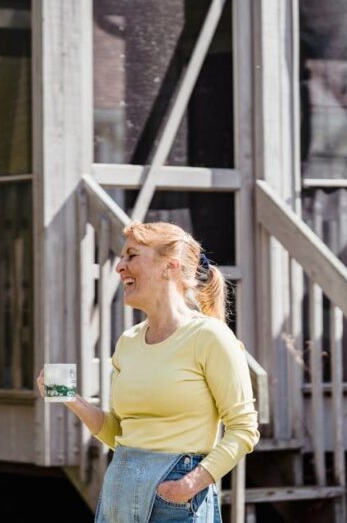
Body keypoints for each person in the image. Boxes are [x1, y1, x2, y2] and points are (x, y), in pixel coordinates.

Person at [38, 222, 259, 522]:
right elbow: (120, 433)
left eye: (131, 255)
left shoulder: (211, 337)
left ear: (170, 266)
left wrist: (188, 485)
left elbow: (244, 429)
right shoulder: (128, 342)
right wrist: (72, 400)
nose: (119, 267)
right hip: (120, 491)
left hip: (176, 501)